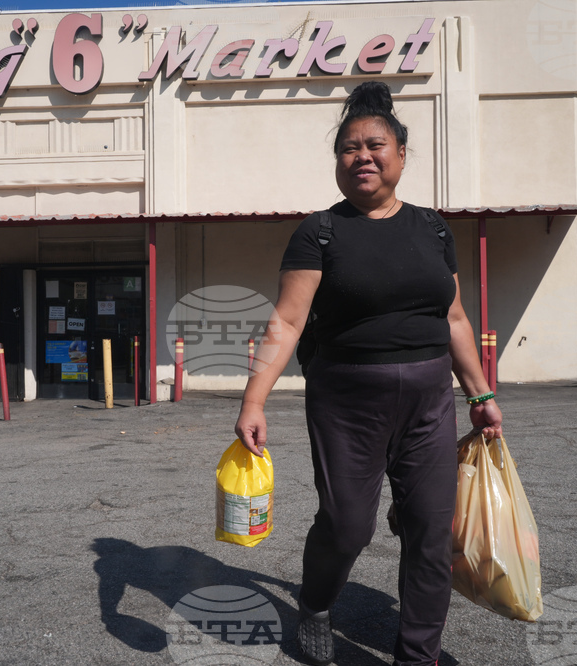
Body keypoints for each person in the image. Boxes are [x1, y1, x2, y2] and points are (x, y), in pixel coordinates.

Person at [234, 81, 502, 666]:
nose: (363, 156)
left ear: (401, 155)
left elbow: (453, 316)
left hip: (430, 400)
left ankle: (416, 655)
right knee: (347, 527)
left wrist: (480, 393)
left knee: (431, 533)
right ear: (337, 162)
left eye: (375, 145)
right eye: (349, 148)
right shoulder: (320, 231)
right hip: (346, 402)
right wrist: (254, 401)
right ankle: (316, 602)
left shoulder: (432, 227)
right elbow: (286, 320)